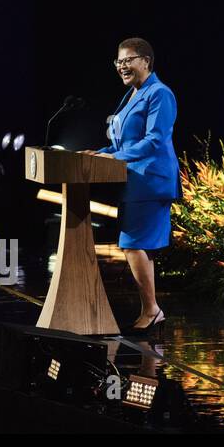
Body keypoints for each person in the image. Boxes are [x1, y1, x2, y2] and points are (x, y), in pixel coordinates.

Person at [81, 37, 179, 336]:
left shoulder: (159, 94)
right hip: (136, 179)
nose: (122, 66)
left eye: (128, 60)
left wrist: (116, 157)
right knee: (137, 245)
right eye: (118, 61)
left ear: (146, 62)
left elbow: (154, 141)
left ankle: (151, 310)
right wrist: (102, 153)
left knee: (133, 243)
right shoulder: (133, 94)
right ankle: (150, 310)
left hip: (150, 179)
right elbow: (123, 142)